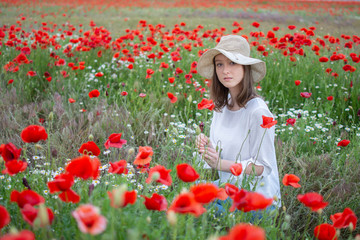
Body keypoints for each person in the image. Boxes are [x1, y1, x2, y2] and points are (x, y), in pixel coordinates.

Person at [195, 35, 281, 216]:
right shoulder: (222, 106)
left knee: (199, 211)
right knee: (186, 196)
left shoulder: (258, 112)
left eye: (233, 63)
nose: (225, 70)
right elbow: (225, 149)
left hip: (258, 199)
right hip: (231, 190)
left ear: (245, 68)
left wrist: (221, 164)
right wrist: (207, 148)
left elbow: (262, 167)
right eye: (219, 64)